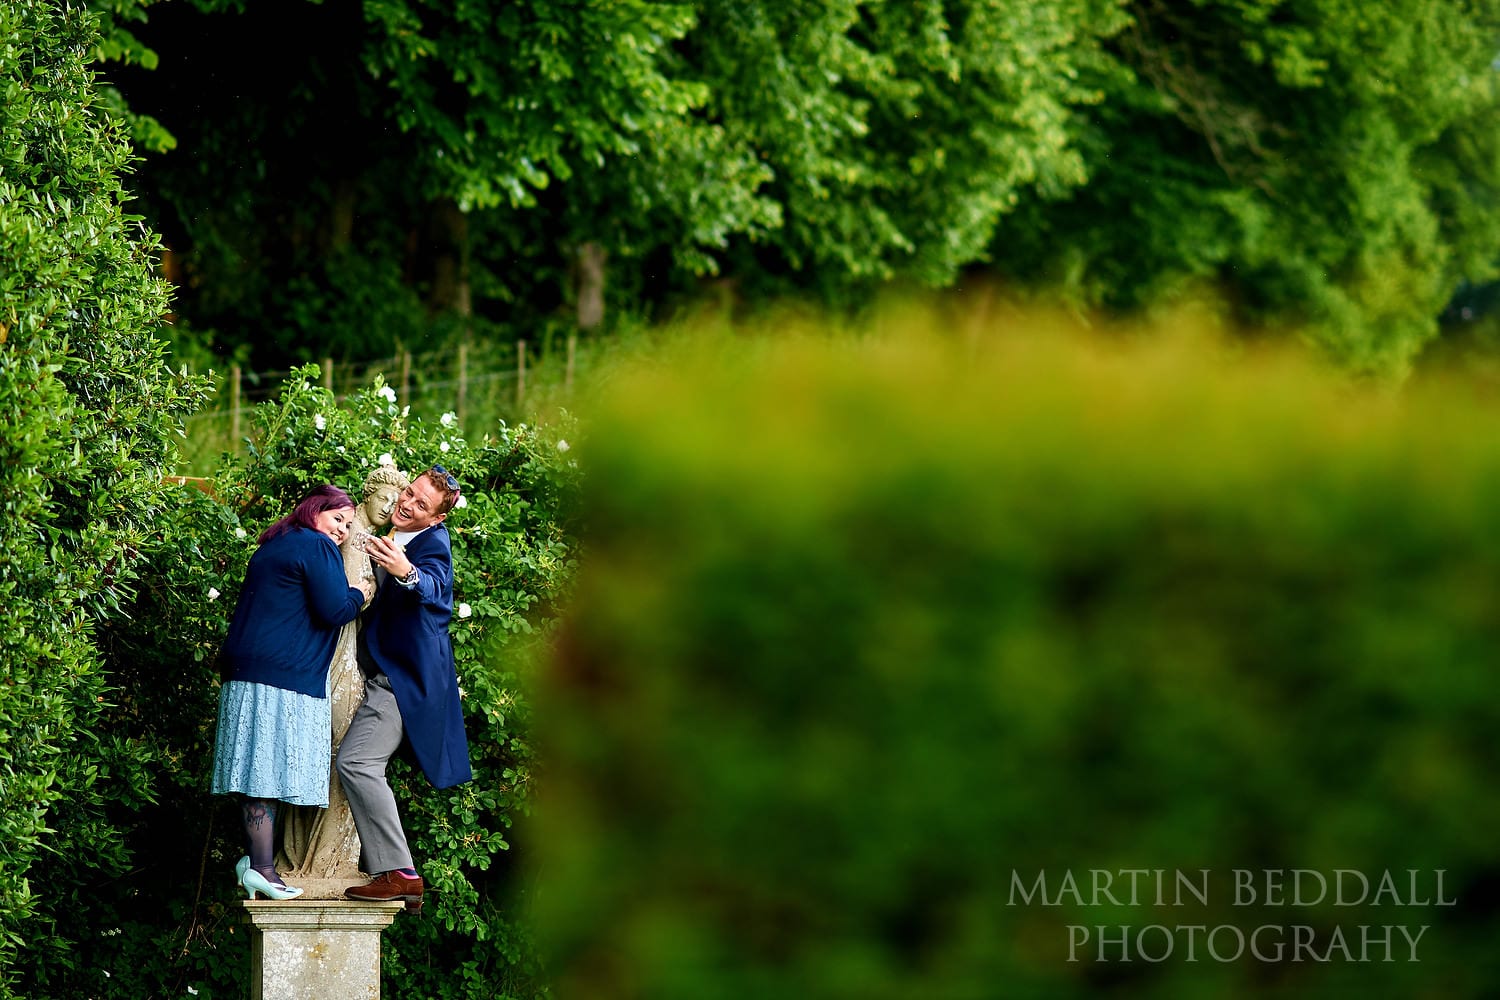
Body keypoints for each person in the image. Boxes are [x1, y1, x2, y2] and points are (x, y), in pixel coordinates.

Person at [212, 485, 376, 901]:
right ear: (314, 511)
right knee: (266, 772)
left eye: (347, 524)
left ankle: (254, 860)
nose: (341, 530)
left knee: (255, 770)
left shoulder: (273, 544)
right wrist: (361, 593)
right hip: (280, 676)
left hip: (246, 671)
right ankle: (265, 870)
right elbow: (334, 609)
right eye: (337, 518)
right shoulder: (315, 545)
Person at [339, 465, 472, 914]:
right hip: (379, 672)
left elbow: (437, 589)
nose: (407, 504)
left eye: (421, 505)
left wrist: (406, 572)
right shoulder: (392, 532)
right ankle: (399, 873)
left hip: (404, 682)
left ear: (436, 519)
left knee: (357, 763)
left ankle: (401, 874)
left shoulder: (431, 546)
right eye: (409, 493)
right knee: (357, 762)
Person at [280, 465, 410, 883]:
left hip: (350, 651)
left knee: (343, 754)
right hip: (340, 651)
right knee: (337, 752)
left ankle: (328, 858)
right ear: (365, 496)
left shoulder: (374, 541)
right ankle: (323, 861)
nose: (390, 507)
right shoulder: (353, 538)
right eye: (383, 498)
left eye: (396, 501)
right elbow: (349, 597)